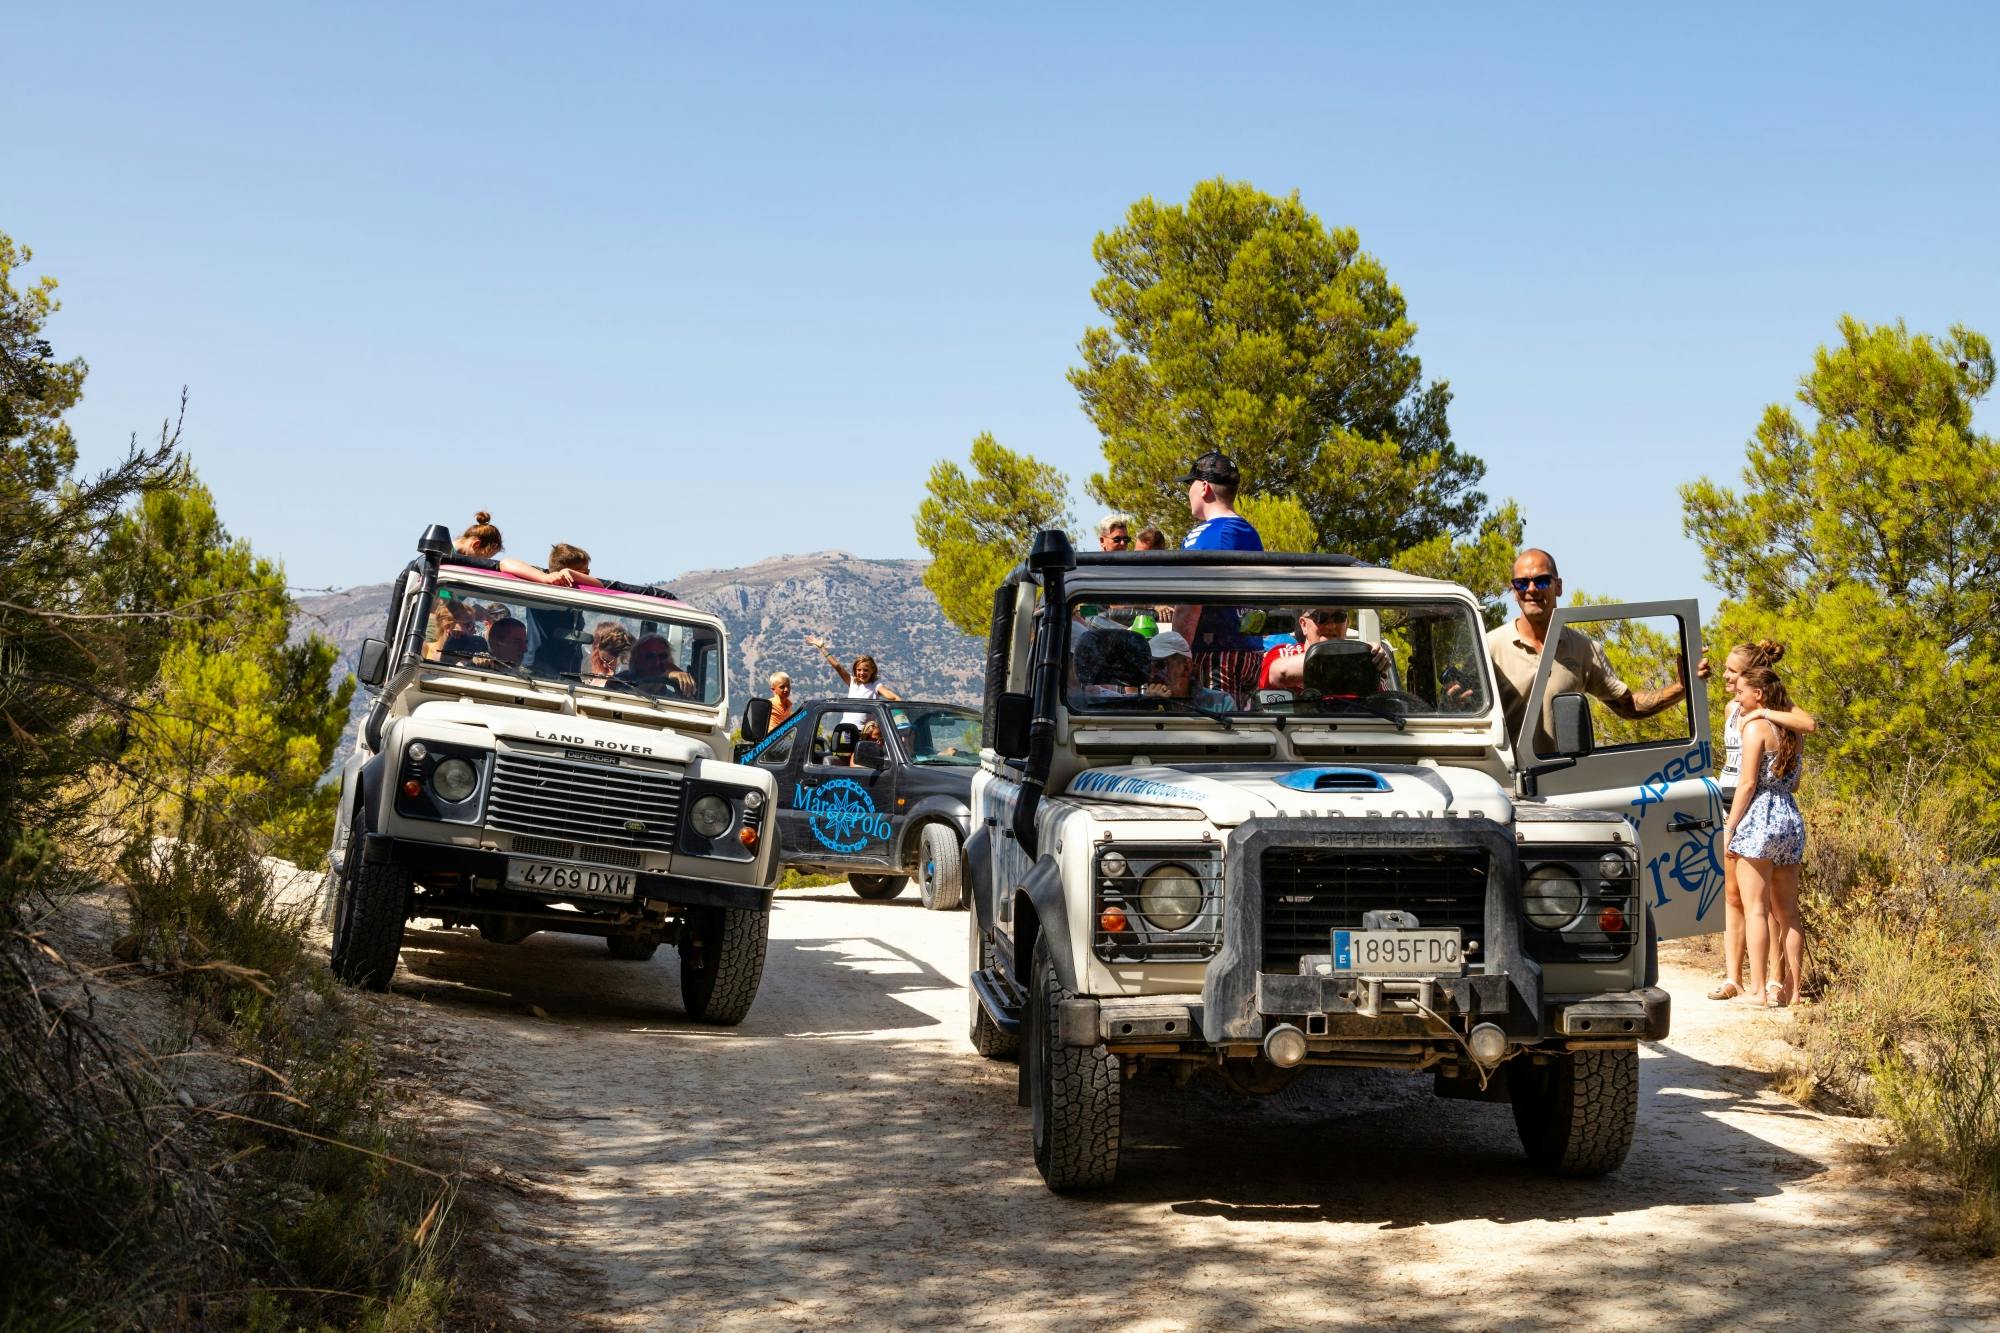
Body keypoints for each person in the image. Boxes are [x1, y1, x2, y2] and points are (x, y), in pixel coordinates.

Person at [1486, 548, 1687, 755]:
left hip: (1563, 777)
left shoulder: (1584, 650)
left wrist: (1682, 687)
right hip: (1506, 782)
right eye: (1521, 583)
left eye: (1542, 581)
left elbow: (1629, 707)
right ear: (1513, 591)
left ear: (1559, 586)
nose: (1531, 589)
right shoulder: (1489, 648)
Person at [1704, 641, 1817, 1002]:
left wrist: (1761, 715)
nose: (1727, 679)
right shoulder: (1732, 710)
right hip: (1770, 806)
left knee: (1761, 903)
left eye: (1733, 674)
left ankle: (1767, 982)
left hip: (1750, 808)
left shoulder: (1770, 716)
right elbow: (1793, 777)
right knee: (1739, 897)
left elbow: (1807, 724)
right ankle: (1737, 978)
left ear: (1753, 684)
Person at [1723, 665, 1808, 1007]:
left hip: (1758, 817)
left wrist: (1730, 828)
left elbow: (1747, 783)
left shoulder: (1756, 727)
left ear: (1758, 694)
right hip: (1789, 816)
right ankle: (1794, 990)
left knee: (1756, 909)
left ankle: (1758, 990)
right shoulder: (1791, 730)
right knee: (1788, 912)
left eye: (1742, 691)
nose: (1738, 697)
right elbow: (1796, 783)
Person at [1172, 451, 1265, 700]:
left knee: (1219, 730)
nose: (1187, 492)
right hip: (1250, 651)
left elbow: (1188, 604)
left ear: (1203, 487)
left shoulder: (1205, 535)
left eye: (1189, 484)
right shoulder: (1249, 532)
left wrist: (1176, 656)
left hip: (1216, 654)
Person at [1258, 607, 1391, 691]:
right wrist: (1351, 658)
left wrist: (1371, 659)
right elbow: (1280, 673)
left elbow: (1382, 705)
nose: (1331, 626)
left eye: (1339, 617)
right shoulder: (1284, 653)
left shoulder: (1363, 657)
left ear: (1347, 623)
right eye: (1321, 617)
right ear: (1303, 625)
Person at [453, 512, 582, 587]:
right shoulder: (444, 556)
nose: (484, 562)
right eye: (484, 558)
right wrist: (544, 577)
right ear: (476, 545)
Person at [1145, 631, 1236, 711]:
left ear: (1186, 667)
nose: (1152, 675)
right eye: (1148, 667)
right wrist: (1149, 707)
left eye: (1160, 665)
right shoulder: (1139, 704)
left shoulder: (1221, 703)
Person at [806, 635, 901, 702]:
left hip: (865, 730)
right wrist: (821, 648)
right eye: (859, 670)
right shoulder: (852, 682)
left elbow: (894, 698)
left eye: (866, 670)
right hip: (847, 727)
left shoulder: (875, 686)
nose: (862, 673)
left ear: (872, 670)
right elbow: (837, 667)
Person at [615, 633, 699, 697]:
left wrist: (682, 684)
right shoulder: (619, 681)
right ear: (636, 660)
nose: (657, 662)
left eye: (663, 656)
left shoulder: (671, 698)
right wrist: (662, 675)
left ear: (669, 662)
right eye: (650, 656)